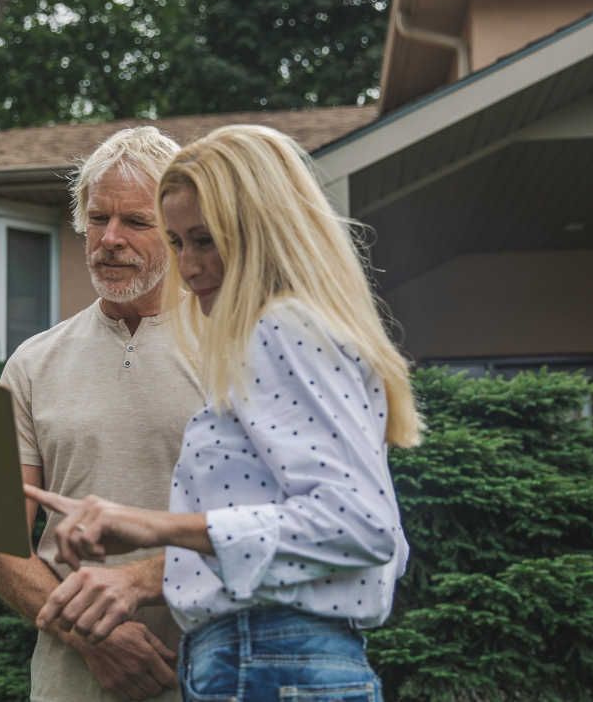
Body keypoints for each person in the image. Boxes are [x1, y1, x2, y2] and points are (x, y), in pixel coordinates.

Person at [26, 124, 425, 701]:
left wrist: (150, 526)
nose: (188, 266)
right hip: (277, 657)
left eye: (204, 239)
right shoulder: (282, 331)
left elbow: (359, 525)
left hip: (269, 658)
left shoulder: (281, 328)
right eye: (179, 240)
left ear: (263, 229)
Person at [0, 126, 203, 702]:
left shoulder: (233, 345)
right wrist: (93, 637)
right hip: (72, 680)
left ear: (177, 231)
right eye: (98, 218)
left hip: (210, 669)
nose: (110, 238)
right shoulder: (33, 362)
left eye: (136, 222)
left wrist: (138, 586)